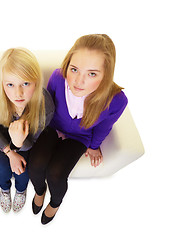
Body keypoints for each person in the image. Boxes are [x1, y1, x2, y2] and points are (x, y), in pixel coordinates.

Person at [29, 34, 128, 224]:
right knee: (35, 165)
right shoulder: (58, 77)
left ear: (106, 74)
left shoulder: (116, 100)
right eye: (74, 69)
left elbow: (104, 127)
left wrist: (94, 146)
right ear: (68, 64)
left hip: (79, 137)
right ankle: (39, 191)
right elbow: (47, 106)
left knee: (56, 174)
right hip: (53, 127)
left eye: (92, 73)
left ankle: (55, 202)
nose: (78, 81)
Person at [0, 48, 54, 213]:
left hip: (25, 140)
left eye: (26, 83)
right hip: (1, 134)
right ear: (2, 83)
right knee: (1, 168)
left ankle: (21, 190)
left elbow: (33, 140)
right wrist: (9, 151)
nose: (18, 93)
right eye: (10, 84)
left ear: (36, 82)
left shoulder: (46, 106)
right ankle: (4, 189)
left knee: (23, 171)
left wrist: (18, 144)